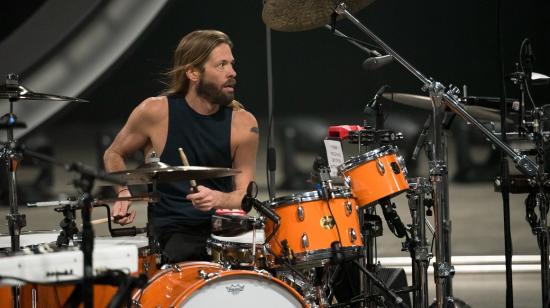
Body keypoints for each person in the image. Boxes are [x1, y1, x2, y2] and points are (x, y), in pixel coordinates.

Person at [103, 29, 259, 263]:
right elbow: (113, 153)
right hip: (173, 233)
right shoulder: (155, 112)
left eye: (232, 64)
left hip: (224, 232)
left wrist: (218, 199)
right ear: (193, 73)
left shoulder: (244, 124)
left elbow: (244, 197)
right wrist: (123, 192)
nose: (232, 73)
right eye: (221, 65)